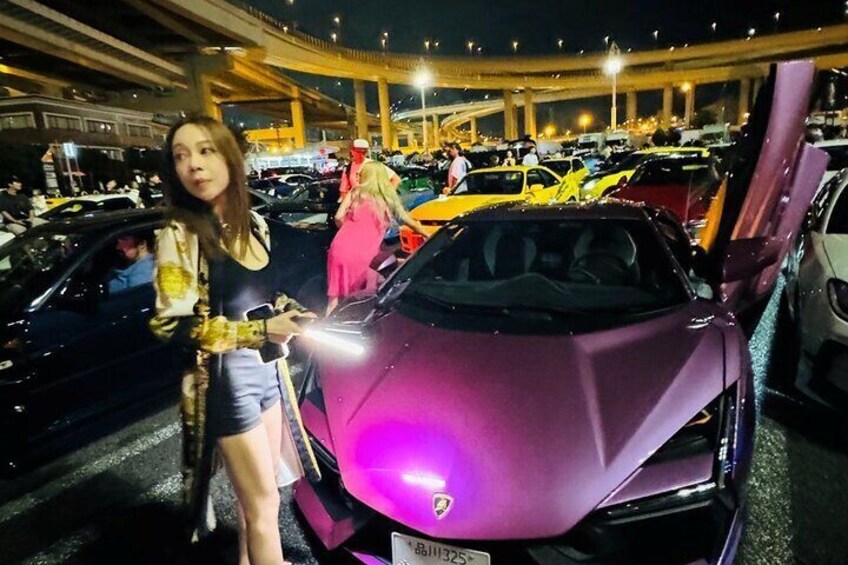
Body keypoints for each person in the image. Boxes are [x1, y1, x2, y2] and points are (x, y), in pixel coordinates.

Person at [149, 116, 320, 565]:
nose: (193, 164)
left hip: (269, 373)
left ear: (231, 157)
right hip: (225, 382)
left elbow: (262, 295)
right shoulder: (180, 234)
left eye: (205, 150)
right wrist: (260, 331)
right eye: (181, 156)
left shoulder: (255, 225)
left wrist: (291, 312)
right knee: (265, 505)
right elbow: (172, 326)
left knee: (259, 499)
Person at [326, 161, 428, 314]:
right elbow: (409, 221)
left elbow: (338, 217)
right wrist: (429, 235)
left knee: (334, 298)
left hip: (339, 247)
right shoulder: (387, 198)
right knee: (367, 294)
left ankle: (328, 323)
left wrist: (349, 232)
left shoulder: (356, 192)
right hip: (361, 254)